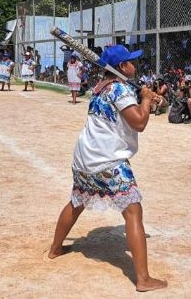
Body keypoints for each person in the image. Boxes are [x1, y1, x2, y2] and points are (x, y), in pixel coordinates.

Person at [46, 45, 167, 292]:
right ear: (122, 67)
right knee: (133, 212)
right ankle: (143, 279)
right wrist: (145, 99)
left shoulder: (101, 88)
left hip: (84, 156)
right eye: (131, 62)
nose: (135, 65)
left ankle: (55, 249)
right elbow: (139, 123)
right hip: (108, 159)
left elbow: (130, 114)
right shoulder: (122, 88)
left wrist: (148, 101)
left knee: (77, 201)